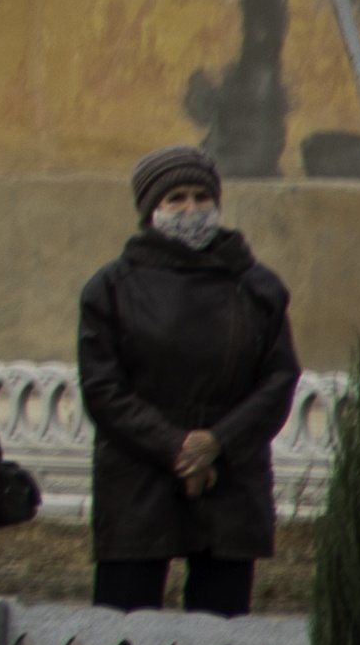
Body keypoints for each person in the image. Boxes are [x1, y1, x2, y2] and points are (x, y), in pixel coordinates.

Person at [77, 147, 298, 620]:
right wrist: (179, 448)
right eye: (175, 197)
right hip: (137, 474)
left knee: (223, 642)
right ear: (150, 209)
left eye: (201, 196)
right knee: (124, 637)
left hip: (231, 474)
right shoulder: (112, 289)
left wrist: (217, 443)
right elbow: (103, 388)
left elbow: (278, 378)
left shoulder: (258, 287)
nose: (191, 209)